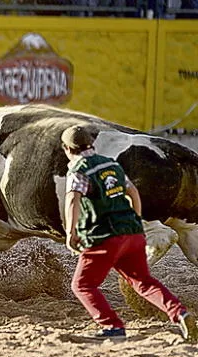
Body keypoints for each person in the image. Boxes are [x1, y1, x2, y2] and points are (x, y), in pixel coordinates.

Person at [61, 125, 198, 342]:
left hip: (104, 235)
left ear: (67, 148)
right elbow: (132, 191)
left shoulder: (78, 169)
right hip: (132, 234)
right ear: (91, 144)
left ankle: (112, 327)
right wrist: (135, 218)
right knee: (143, 282)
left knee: (82, 285)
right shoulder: (111, 164)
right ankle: (180, 313)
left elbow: (71, 200)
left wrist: (71, 232)